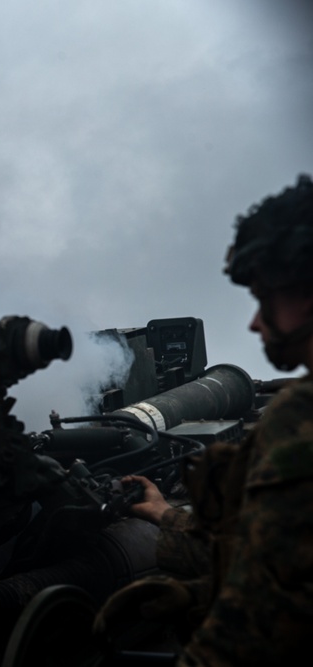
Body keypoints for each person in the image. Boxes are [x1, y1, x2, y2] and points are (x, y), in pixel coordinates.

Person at [96, 174, 313, 664]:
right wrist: (167, 522)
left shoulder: (298, 419)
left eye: (265, 298)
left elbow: (262, 614)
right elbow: (278, 559)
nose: (254, 322)